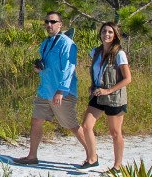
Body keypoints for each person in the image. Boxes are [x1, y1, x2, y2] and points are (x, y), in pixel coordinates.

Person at [14, 11, 95, 167]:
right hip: (45, 90)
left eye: (52, 22)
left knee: (71, 125)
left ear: (60, 24)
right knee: (36, 120)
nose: (49, 25)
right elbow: (47, 65)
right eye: (47, 22)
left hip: (61, 92)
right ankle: (32, 156)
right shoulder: (45, 43)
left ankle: (92, 156)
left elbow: (69, 68)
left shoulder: (67, 43)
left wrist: (61, 90)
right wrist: (39, 68)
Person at [82, 21, 132, 170]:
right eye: (104, 31)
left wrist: (108, 90)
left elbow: (127, 78)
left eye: (110, 32)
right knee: (86, 126)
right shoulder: (96, 52)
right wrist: (93, 85)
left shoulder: (119, 54)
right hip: (98, 94)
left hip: (114, 97)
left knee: (115, 132)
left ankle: (117, 166)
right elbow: (97, 72)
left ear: (115, 35)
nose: (106, 35)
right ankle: (92, 158)